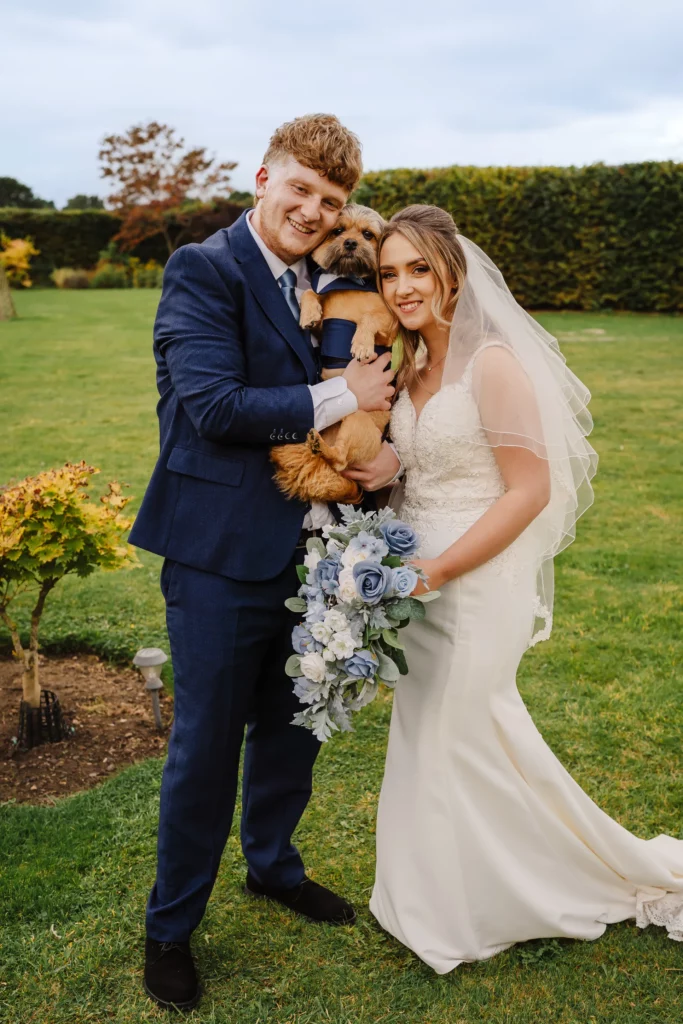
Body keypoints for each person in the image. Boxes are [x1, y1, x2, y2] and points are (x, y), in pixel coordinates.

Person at [362, 204, 683, 974]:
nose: (402, 287)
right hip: (415, 584)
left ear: (451, 270)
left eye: (416, 269)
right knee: (442, 737)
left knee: (456, 733)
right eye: (388, 273)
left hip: (474, 585)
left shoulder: (492, 362)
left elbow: (526, 492)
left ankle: (499, 897)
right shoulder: (409, 364)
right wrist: (386, 477)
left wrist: (435, 570)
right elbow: (426, 468)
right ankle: (441, 893)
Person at [128, 113, 401, 1011]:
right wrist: (342, 392)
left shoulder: (325, 283)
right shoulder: (203, 270)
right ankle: (170, 929)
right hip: (216, 556)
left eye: (331, 200)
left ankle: (273, 866)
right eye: (301, 191)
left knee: (294, 727)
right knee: (205, 749)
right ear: (262, 179)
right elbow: (212, 406)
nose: (315, 212)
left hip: (313, 551)